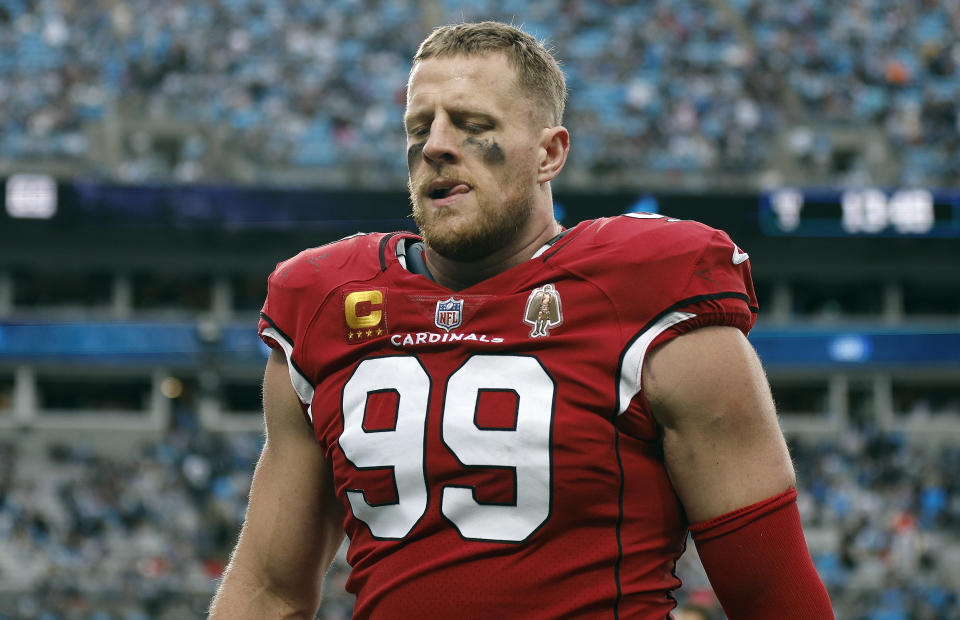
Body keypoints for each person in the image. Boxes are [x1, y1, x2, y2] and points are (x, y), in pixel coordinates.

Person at [209, 21, 834, 619]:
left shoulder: (645, 293)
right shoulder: (325, 304)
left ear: (548, 154)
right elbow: (267, 591)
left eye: (473, 124)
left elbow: (772, 596)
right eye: (419, 127)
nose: (436, 146)